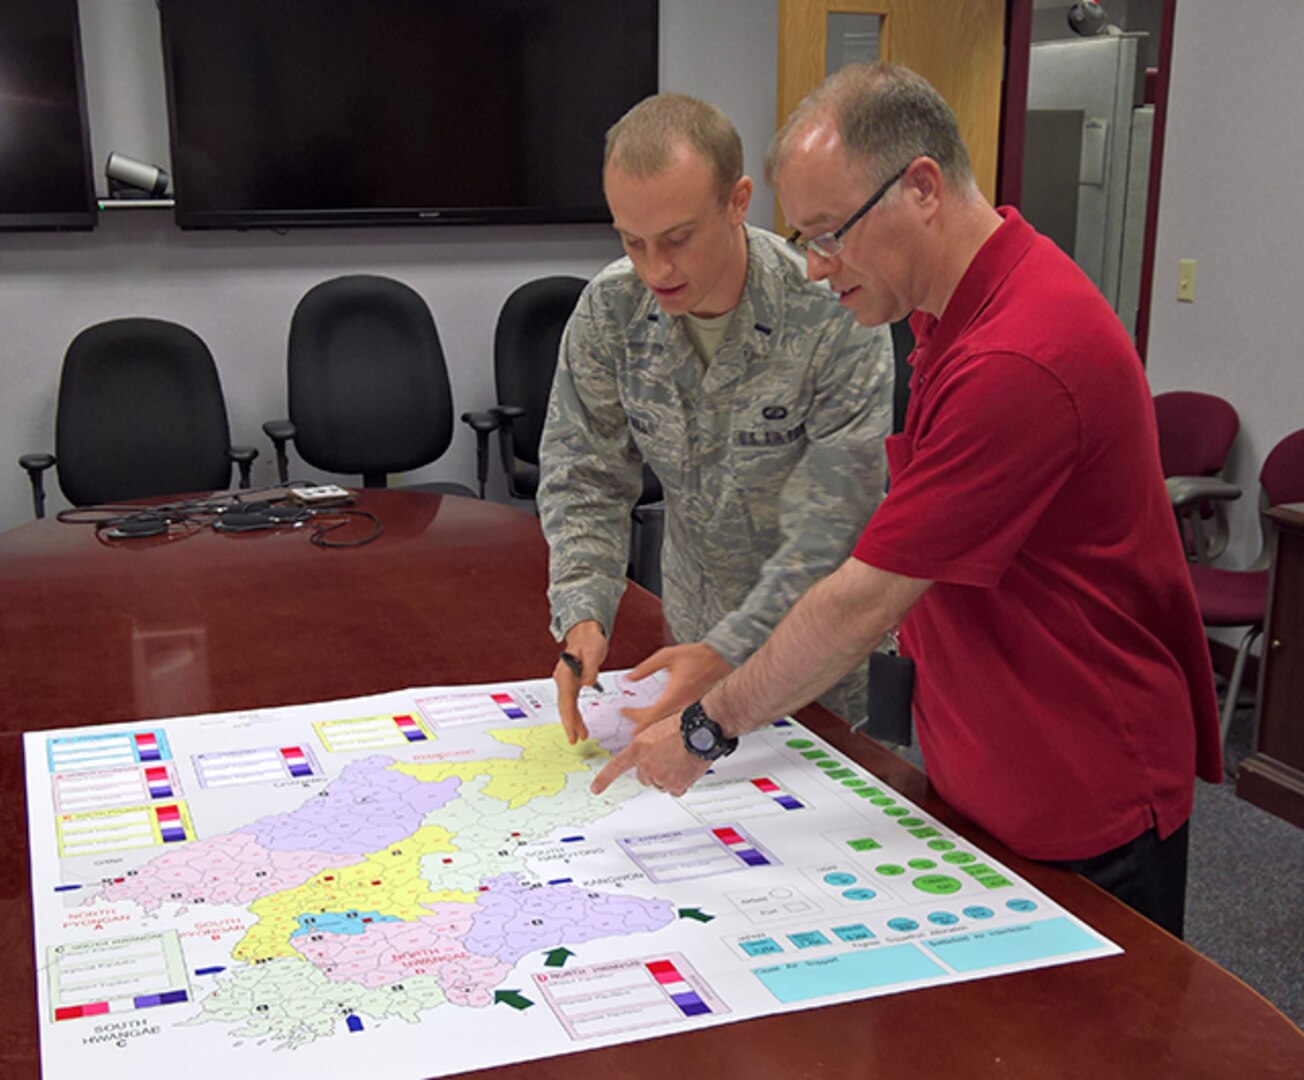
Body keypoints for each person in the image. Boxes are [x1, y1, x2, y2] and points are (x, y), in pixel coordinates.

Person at [594, 64, 1222, 939]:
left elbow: (865, 597)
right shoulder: (952, 313)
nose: (815, 268)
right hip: (990, 761)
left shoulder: (1019, 357)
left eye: (828, 235)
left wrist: (708, 729)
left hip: (1081, 786)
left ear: (921, 188)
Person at [538, 93, 893, 743]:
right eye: (632, 241)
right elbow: (585, 474)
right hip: (692, 639)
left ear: (737, 201)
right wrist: (583, 613)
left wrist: (733, 648)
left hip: (821, 669)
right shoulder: (610, 312)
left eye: (677, 239)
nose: (654, 269)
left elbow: (836, 524)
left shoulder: (830, 310)